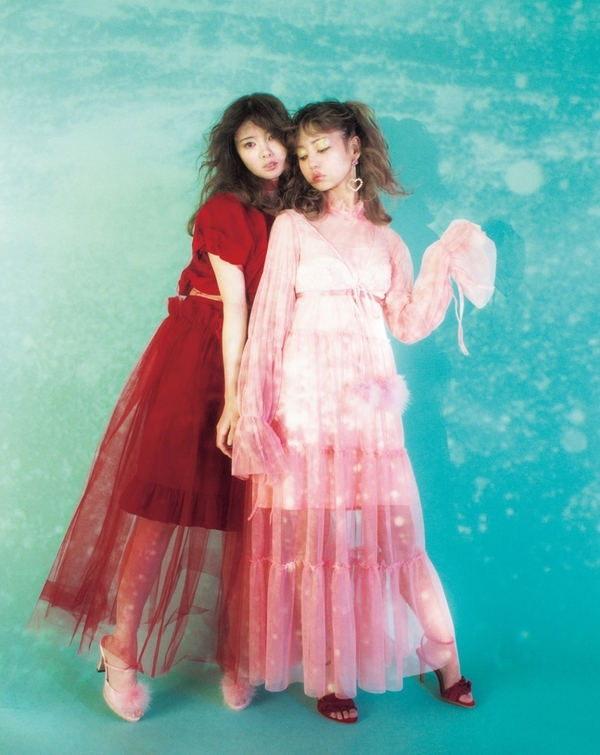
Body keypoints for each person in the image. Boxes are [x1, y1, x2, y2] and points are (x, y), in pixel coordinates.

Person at [230, 100, 496, 723]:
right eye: (302, 153)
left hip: (368, 412)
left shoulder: (388, 240)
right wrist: (252, 411)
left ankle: (446, 658)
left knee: (393, 535)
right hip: (305, 408)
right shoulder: (293, 227)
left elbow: (406, 323)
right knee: (318, 538)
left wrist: (440, 263)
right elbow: (268, 323)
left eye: (323, 147)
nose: (311, 162)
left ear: (355, 149)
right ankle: (332, 674)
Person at [29, 93, 290, 722]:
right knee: (164, 504)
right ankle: (120, 647)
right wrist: (234, 401)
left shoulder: (291, 212)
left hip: (261, 358)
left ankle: (237, 652)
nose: (264, 152)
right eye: (248, 144)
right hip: (201, 357)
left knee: (248, 512)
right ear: (233, 154)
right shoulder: (225, 210)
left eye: (271, 138)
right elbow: (235, 311)